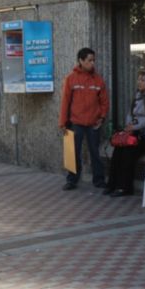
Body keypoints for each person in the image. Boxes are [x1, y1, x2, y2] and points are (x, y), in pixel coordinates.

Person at [58, 47, 109, 191]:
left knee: (95, 153)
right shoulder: (71, 78)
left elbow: (104, 102)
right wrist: (62, 122)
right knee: (73, 152)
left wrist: (102, 117)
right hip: (76, 123)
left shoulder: (98, 80)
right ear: (81, 61)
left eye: (94, 60)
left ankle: (99, 180)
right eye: (89, 60)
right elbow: (65, 101)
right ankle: (72, 180)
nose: (92, 63)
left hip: (94, 123)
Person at [103, 69, 145, 197]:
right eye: (139, 79)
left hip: (144, 136)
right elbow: (130, 113)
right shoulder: (137, 95)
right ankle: (112, 184)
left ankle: (124, 187)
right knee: (118, 151)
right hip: (132, 133)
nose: (139, 82)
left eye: (143, 80)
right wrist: (128, 125)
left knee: (128, 153)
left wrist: (135, 126)